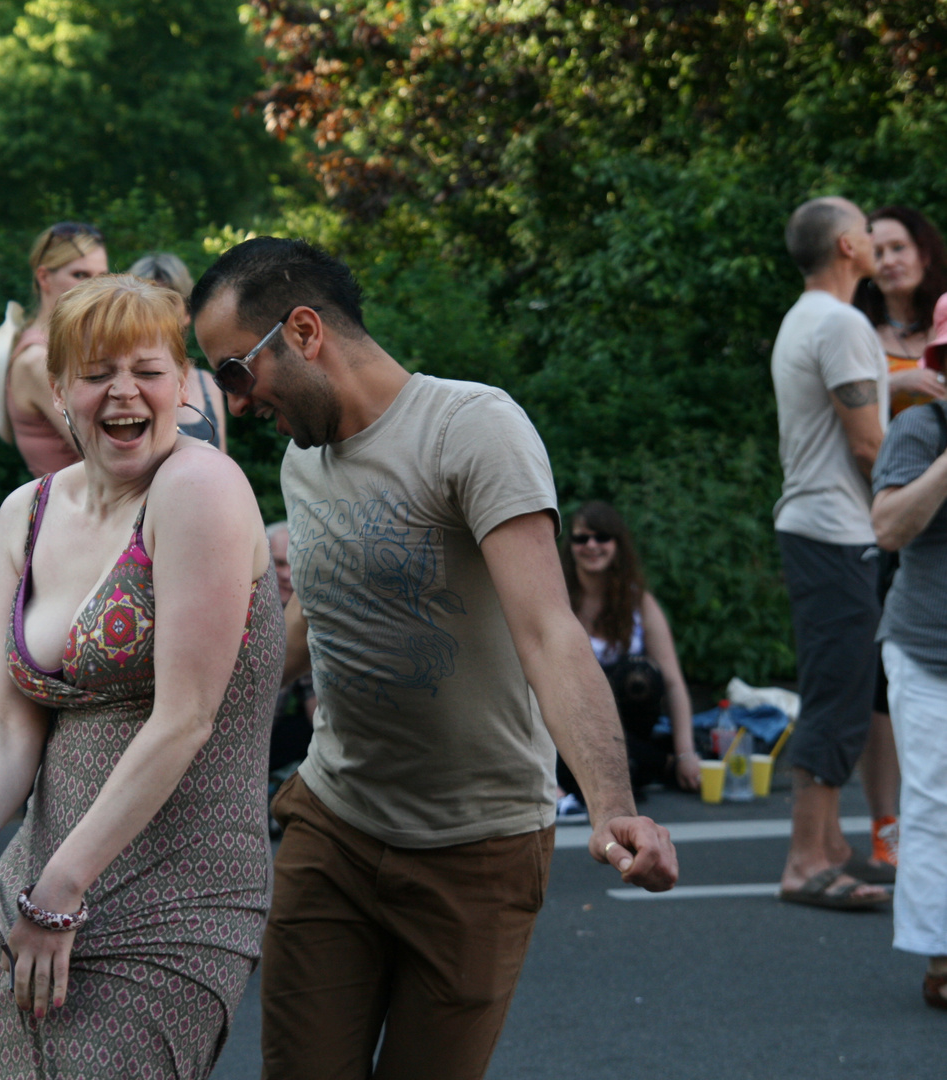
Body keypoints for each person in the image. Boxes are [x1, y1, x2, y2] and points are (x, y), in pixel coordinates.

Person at [190, 236, 678, 1080]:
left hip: (477, 849)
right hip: (333, 828)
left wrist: (612, 804)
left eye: (234, 373)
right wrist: (188, 715)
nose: (235, 402)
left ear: (303, 332)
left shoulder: (471, 428)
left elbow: (548, 631)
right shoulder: (303, 460)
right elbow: (320, 611)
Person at [0, 273, 279, 1079]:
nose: (124, 393)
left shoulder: (200, 488)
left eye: (147, 370)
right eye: (96, 373)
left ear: (183, 383)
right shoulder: (27, 512)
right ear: (56, 390)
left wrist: (61, 892)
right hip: (41, 878)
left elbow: (184, 718)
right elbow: (8, 723)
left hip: (175, 888)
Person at [769, 197, 893, 911]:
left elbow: (846, 401)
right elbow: (868, 443)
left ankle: (830, 845)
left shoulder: (807, 317)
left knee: (840, 687)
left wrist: (896, 381)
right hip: (836, 531)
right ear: (848, 245)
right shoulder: (843, 322)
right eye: (869, 232)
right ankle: (806, 861)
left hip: (819, 527)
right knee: (838, 697)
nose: (877, 241)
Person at [872, 297, 947, 1010]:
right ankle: (941, 963)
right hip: (928, 651)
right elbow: (889, 527)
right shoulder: (918, 430)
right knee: (934, 803)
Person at [557, 501, 699, 817]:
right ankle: (652, 763)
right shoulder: (557, 598)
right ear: (571, 547)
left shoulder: (639, 602)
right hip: (573, 721)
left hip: (627, 725)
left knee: (640, 674)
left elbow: (673, 683)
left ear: (618, 544)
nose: (591, 545)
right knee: (626, 774)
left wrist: (687, 752)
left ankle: (641, 761)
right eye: (582, 539)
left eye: (602, 537)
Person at [6, 222, 107, 476]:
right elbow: (107, 453)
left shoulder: (73, 348)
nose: (95, 290)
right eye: (80, 275)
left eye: (102, 277)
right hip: (73, 513)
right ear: (43, 277)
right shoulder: (38, 360)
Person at [127, 252, 227, 451]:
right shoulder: (123, 386)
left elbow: (222, 456)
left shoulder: (209, 384)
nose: (158, 314)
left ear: (188, 312)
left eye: (168, 302)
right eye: (147, 303)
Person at [857, 206, 947, 417]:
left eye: (898, 248)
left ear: (924, 255)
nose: (889, 261)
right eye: (877, 253)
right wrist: (895, 384)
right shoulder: (863, 335)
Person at [265, 521, 314, 779]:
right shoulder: (239, 611)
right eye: (279, 563)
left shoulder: (304, 623)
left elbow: (315, 703)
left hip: (265, 742)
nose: (287, 575)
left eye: (295, 564)